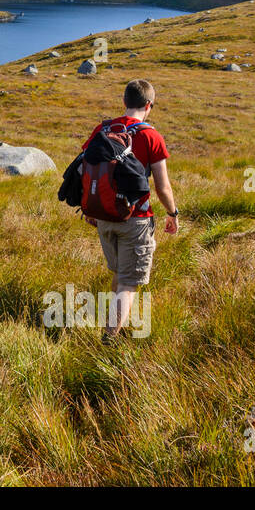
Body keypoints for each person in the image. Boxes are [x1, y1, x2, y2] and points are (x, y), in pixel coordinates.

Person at [81, 79, 178, 342]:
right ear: (149, 106)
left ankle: (113, 322)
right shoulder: (151, 136)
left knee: (118, 274)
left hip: (103, 217)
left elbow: (86, 171)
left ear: (124, 102)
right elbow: (162, 186)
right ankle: (109, 338)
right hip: (135, 221)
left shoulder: (102, 129)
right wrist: (173, 213)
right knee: (128, 283)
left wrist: (89, 208)